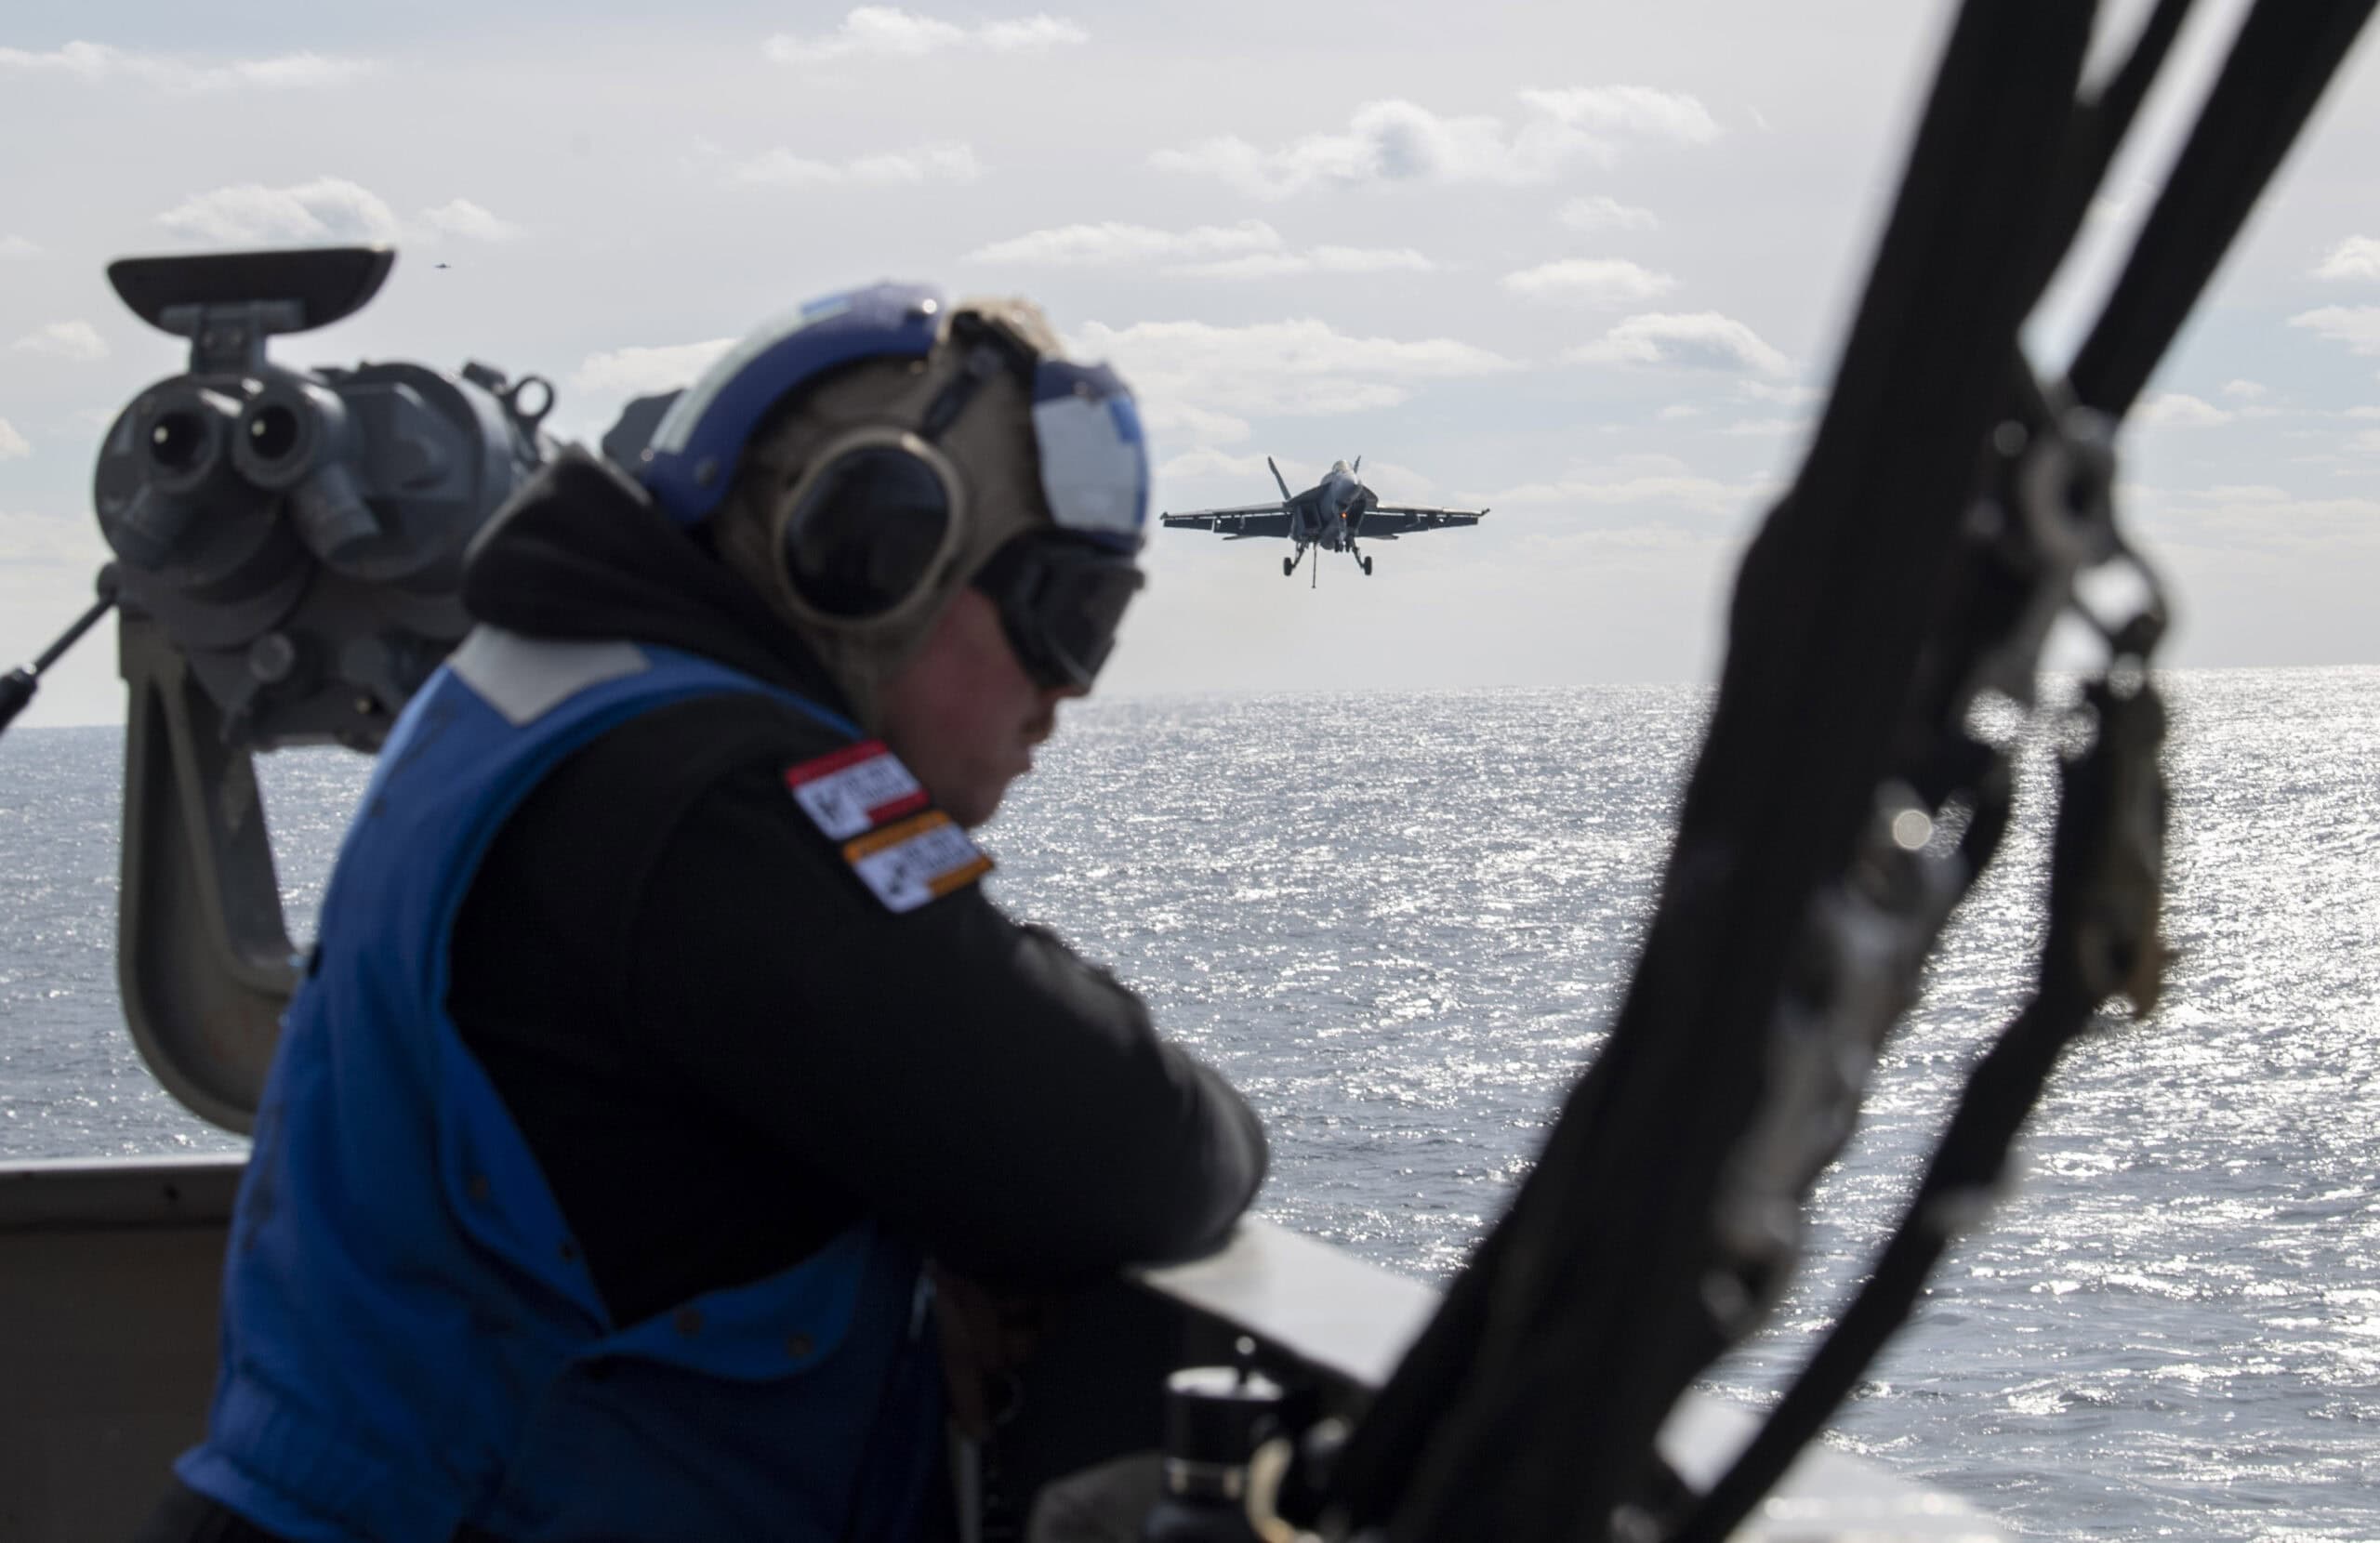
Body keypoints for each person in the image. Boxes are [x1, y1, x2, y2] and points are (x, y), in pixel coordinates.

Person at [136, 284, 1270, 1542]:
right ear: (874, 551)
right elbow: (1134, 1146)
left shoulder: (535, 698)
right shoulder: (703, 795)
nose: (1069, 690)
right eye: (1068, 615)